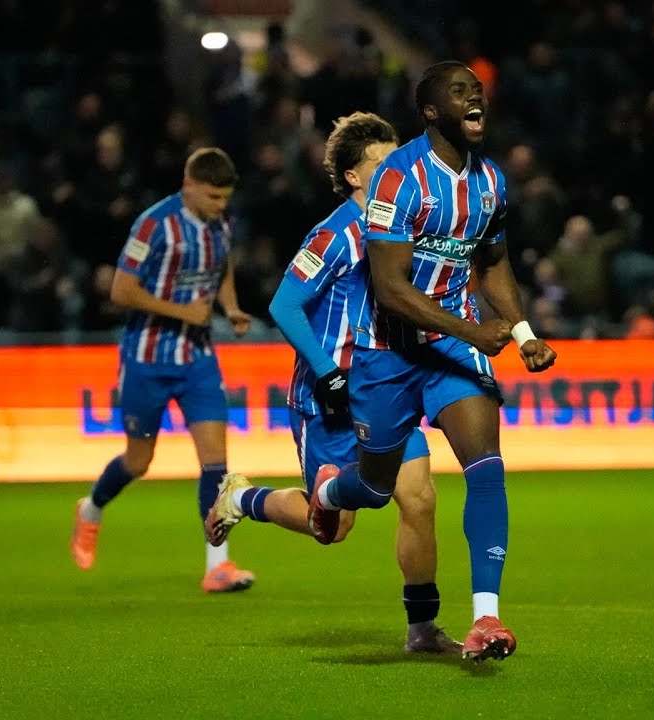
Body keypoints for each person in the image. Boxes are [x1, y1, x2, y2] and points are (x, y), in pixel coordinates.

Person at [307, 61, 555, 662]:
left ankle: (486, 619)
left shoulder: (490, 181)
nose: (475, 98)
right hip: (386, 351)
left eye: (478, 91)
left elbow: (493, 262)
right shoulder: (398, 178)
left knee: (486, 465)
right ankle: (330, 495)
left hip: (451, 347)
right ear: (430, 110)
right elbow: (390, 288)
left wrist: (522, 331)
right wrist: (474, 328)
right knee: (374, 488)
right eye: (460, 91)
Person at [202, 111, 460, 654]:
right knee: (333, 529)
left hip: (386, 389)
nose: (396, 171)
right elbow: (285, 305)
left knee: (419, 497)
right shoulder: (336, 234)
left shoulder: (406, 226)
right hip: (328, 398)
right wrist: (329, 374)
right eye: (381, 163)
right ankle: (242, 498)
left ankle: (422, 629)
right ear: (352, 176)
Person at [70, 147, 257, 593]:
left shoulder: (219, 224)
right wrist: (181, 311)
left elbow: (222, 266)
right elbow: (121, 290)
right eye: (213, 197)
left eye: (225, 198)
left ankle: (218, 565)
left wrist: (230, 307)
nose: (220, 206)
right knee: (139, 461)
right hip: (147, 360)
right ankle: (91, 508)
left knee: (216, 462)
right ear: (188, 185)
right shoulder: (154, 225)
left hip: (198, 360)